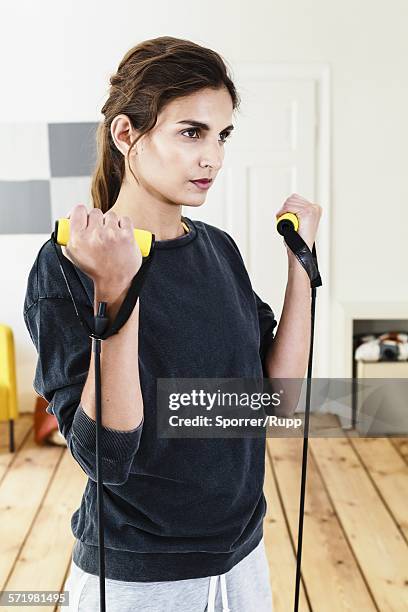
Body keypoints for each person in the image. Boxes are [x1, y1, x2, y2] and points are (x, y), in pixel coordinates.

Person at [23, 36, 321, 612]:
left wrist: (301, 266)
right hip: (140, 577)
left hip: (241, 558)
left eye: (222, 135)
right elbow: (105, 457)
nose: (212, 156)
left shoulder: (218, 250)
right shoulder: (68, 262)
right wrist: (116, 290)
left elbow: (279, 400)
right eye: (191, 132)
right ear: (126, 135)